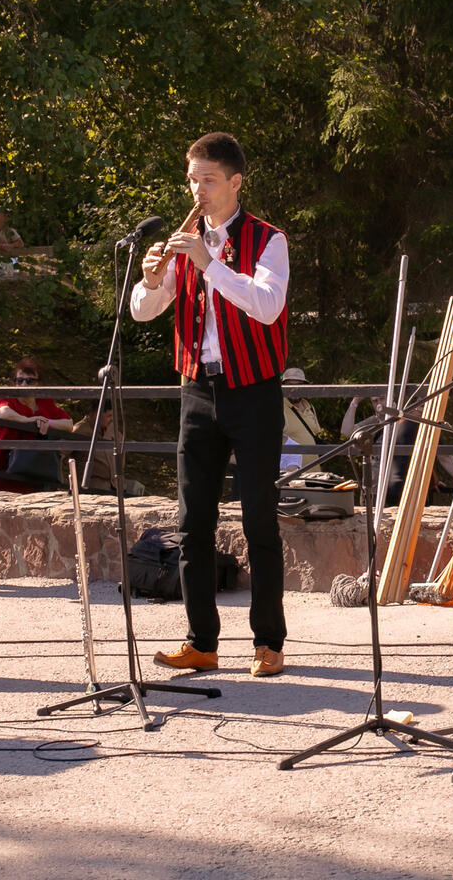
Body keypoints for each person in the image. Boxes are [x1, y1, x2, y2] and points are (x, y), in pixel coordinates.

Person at [131, 131, 290, 678]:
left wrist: (210, 265)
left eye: (208, 180)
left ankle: (269, 642)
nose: (197, 190)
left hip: (254, 391)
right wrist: (150, 280)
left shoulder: (268, 240)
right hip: (197, 390)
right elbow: (144, 311)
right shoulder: (184, 242)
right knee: (192, 521)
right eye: (191, 179)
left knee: (259, 519)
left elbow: (267, 306)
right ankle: (201, 641)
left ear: (235, 182)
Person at [0, 357, 73, 493]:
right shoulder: (7, 398)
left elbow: (68, 424)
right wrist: (28, 420)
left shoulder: (44, 403)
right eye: (19, 380)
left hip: (35, 477)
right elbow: (2, 414)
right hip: (2, 474)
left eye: (29, 381)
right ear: (14, 383)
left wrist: (47, 422)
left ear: (39, 384)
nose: (24, 384)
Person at [279, 367, 323, 472]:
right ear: (283, 386)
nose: (294, 389)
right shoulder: (278, 407)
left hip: (315, 472)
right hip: (293, 474)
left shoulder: (309, 407)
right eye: (290, 385)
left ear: (304, 387)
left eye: (298, 385)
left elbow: (314, 434)